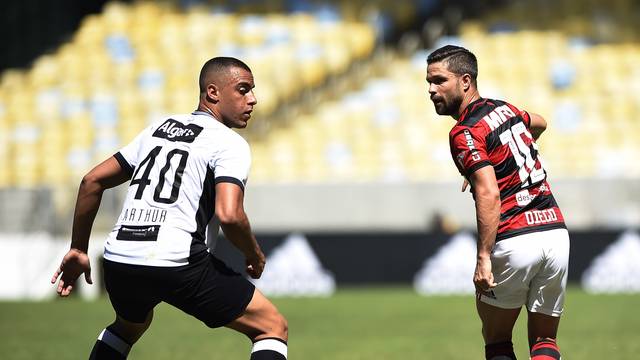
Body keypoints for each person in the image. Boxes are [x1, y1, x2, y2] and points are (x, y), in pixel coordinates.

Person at [51, 57, 288, 360]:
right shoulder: (229, 143)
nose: (253, 99)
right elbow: (230, 215)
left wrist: (79, 249)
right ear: (213, 93)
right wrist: (253, 254)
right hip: (176, 260)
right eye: (243, 90)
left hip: (120, 258)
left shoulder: (158, 128)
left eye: (252, 90)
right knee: (271, 327)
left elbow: (91, 181)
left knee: (128, 327)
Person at [426, 45, 569, 360]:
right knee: (545, 340)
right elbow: (541, 122)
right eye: (429, 82)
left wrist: (483, 257)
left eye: (439, 80)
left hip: (514, 237)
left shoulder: (464, 131)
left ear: (466, 81)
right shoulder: (505, 108)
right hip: (554, 232)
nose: (431, 90)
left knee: (497, 340)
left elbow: (489, 193)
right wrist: (491, 164)